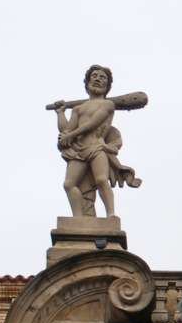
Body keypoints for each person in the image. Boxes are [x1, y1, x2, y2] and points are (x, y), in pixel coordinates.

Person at [51, 65, 141, 218]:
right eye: (94, 76)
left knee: (101, 180)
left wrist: (70, 135)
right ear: (87, 83)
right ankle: (78, 219)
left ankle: (111, 214)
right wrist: (60, 114)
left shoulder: (108, 104)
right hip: (79, 150)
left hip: (97, 147)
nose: (98, 79)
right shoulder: (78, 109)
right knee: (69, 184)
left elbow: (93, 123)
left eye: (103, 77)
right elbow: (66, 129)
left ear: (108, 86)